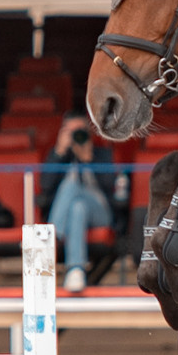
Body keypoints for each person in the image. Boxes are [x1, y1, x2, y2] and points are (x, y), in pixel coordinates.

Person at [43, 114, 125, 292]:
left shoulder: (102, 154)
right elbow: (45, 186)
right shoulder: (59, 155)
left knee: (71, 185)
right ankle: (76, 270)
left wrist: (88, 160)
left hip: (101, 211)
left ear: (89, 133)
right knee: (77, 207)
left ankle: (50, 238)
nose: (76, 136)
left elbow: (112, 187)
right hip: (76, 212)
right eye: (71, 132)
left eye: (79, 131)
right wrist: (59, 152)